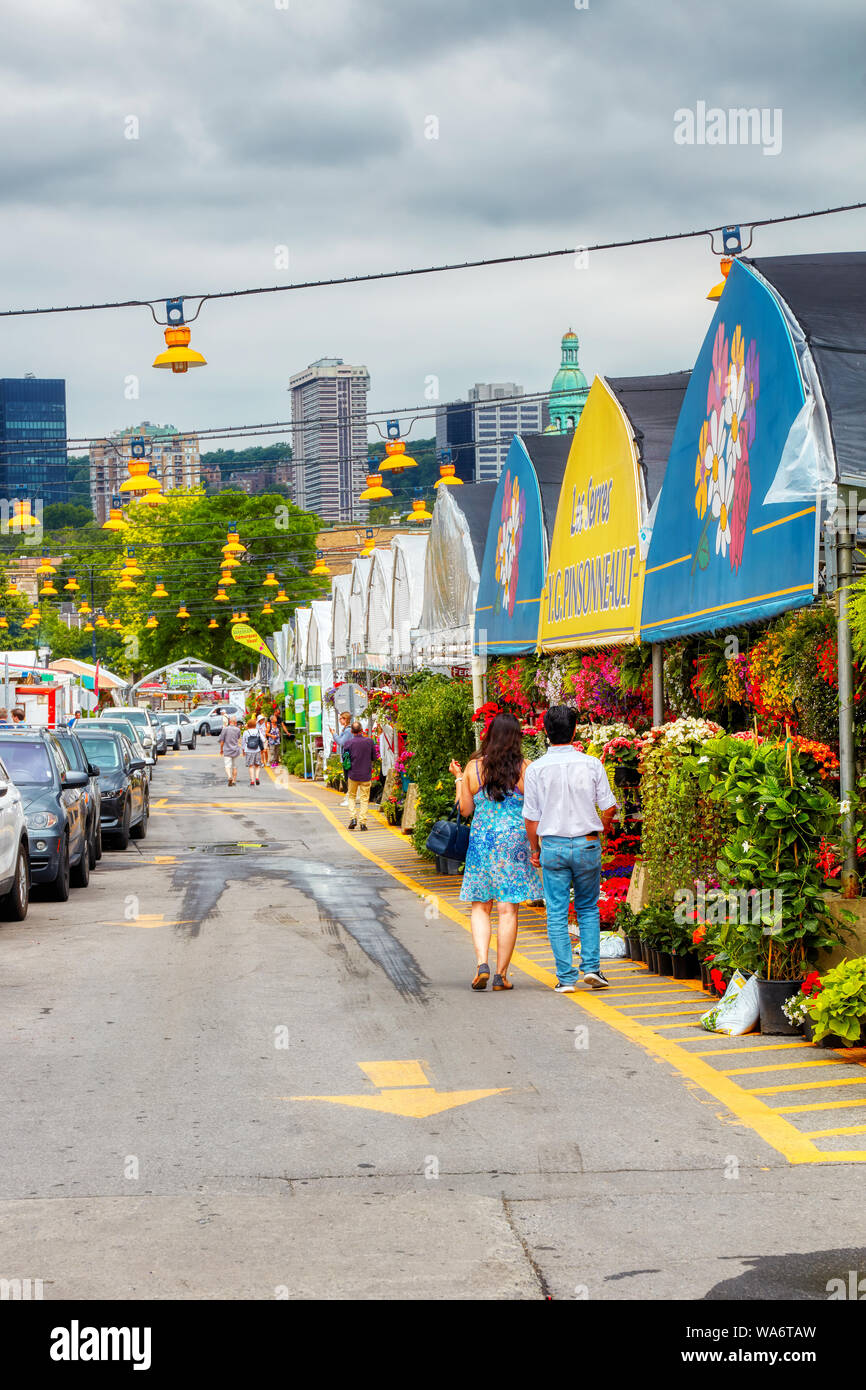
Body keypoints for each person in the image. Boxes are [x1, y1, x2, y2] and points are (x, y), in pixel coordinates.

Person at [523, 705, 618, 993]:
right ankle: (591, 968)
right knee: (588, 907)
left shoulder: (536, 769)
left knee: (556, 912)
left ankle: (566, 978)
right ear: (575, 731)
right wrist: (600, 825)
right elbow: (610, 807)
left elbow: (531, 816)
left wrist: (535, 849)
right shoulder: (592, 764)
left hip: (552, 845)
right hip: (588, 843)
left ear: (545, 732)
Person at [449, 713, 542, 993]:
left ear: (488, 735)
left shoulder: (473, 768)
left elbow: (465, 810)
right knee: (507, 908)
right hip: (515, 840)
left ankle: (481, 964)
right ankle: (501, 975)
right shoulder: (526, 768)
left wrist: (458, 780)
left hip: (482, 840)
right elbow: (536, 809)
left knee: (480, 904)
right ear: (517, 738)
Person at [344, 720, 374, 831]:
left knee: (351, 796)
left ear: (351, 731)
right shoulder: (369, 742)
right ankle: (363, 823)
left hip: (353, 774)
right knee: (364, 799)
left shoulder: (348, 743)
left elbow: (345, 759)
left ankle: (353, 818)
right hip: (366, 774)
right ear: (362, 730)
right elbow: (374, 757)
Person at [334, 710, 354, 807]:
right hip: (347, 758)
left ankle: (350, 798)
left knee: (348, 778)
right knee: (347, 778)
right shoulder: (346, 730)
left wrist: (334, 734)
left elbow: (341, 742)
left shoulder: (347, 731)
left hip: (348, 758)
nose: (339, 720)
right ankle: (349, 797)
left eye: (341, 718)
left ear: (345, 719)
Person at [218, 715, 241, 787]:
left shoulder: (225, 729)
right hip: (235, 750)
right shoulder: (238, 730)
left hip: (227, 750)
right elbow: (238, 738)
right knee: (234, 766)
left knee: (227, 766)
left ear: (229, 721)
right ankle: (234, 780)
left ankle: (229, 777)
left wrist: (221, 749)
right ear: (235, 722)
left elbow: (222, 741)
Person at [242, 717, 264, 786]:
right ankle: (257, 778)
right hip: (257, 750)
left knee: (251, 766)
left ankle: (252, 780)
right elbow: (263, 739)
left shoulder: (246, 732)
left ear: (248, 725)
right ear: (255, 724)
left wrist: (243, 750)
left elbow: (243, 742)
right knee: (257, 765)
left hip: (248, 750)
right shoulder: (258, 731)